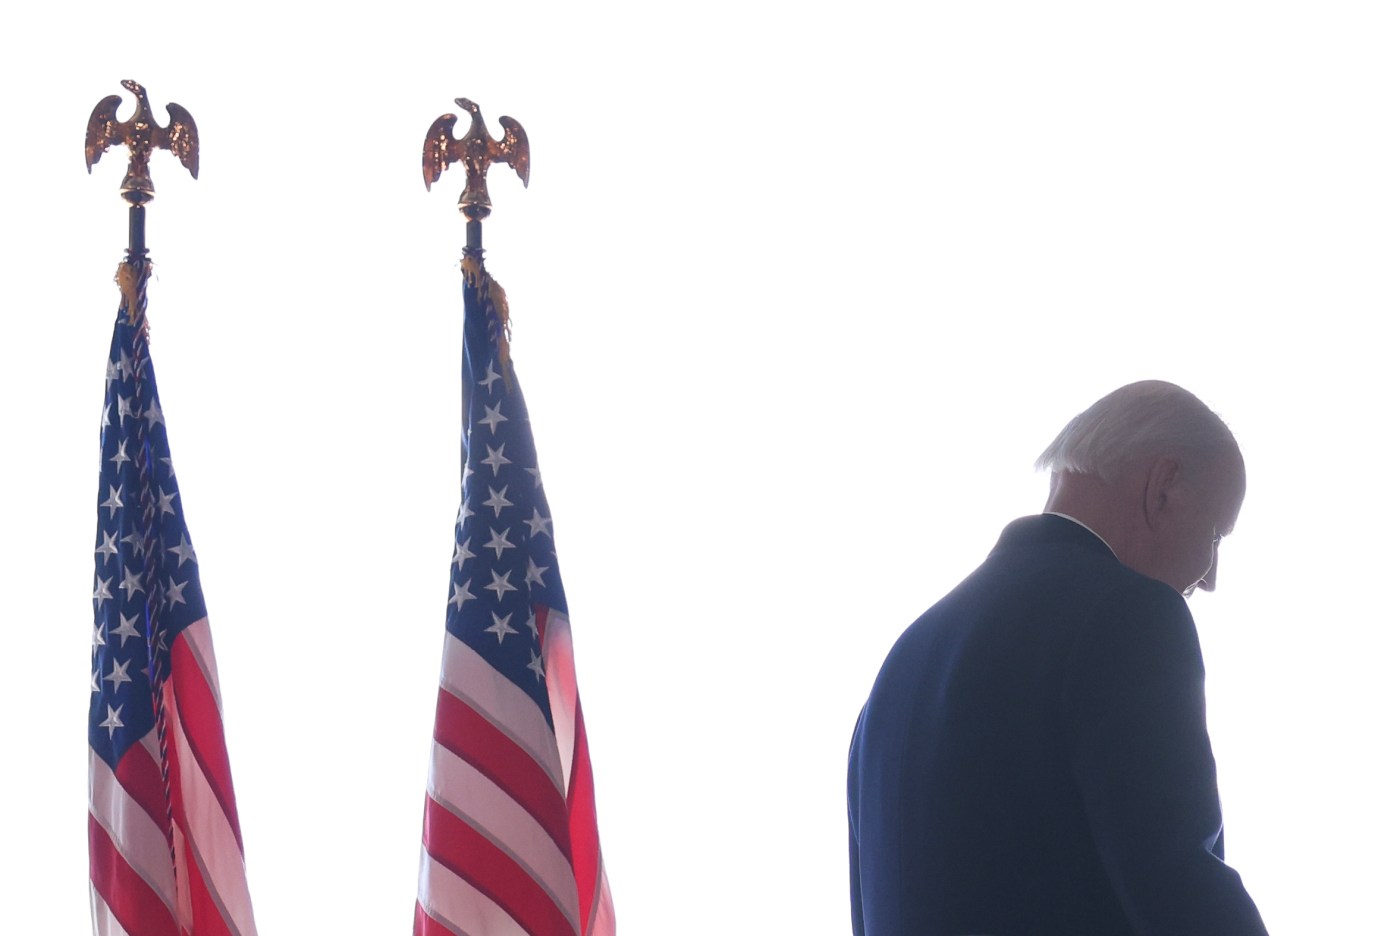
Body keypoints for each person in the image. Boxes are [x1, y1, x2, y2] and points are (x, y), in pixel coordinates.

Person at [847, 381, 1269, 936]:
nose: (1209, 578)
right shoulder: (1130, 617)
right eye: (1216, 536)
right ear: (1163, 487)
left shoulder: (906, 656)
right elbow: (1180, 891)